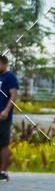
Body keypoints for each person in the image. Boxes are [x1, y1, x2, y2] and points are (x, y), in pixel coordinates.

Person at [0, 54, 19, 182]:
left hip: (3, 116)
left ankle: (3, 172)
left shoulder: (10, 77)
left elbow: (13, 95)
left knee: (3, 143)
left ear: (4, 64)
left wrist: (6, 110)